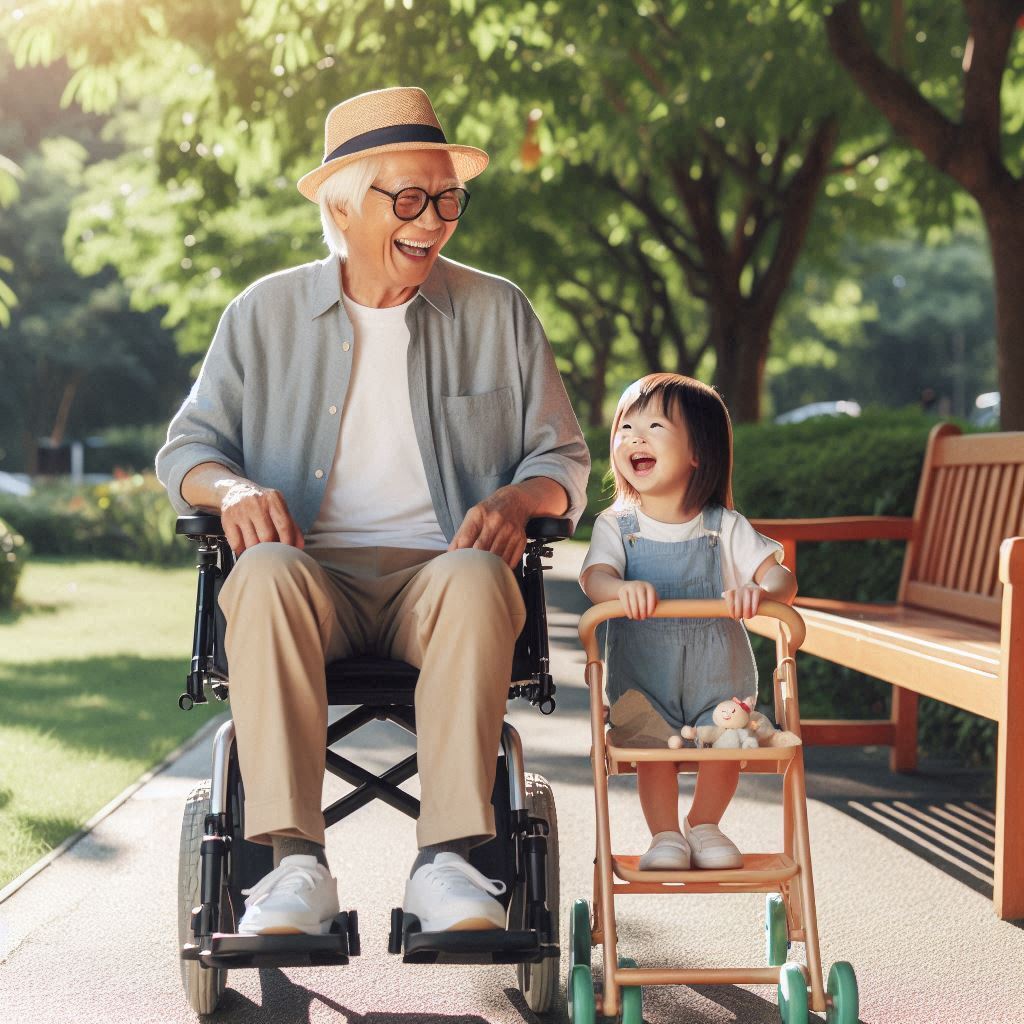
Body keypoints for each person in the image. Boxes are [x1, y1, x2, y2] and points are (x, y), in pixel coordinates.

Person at [156, 86, 589, 936]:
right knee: (267, 569)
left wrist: (516, 497)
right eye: (411, 198)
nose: (435, 219)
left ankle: (450, 866)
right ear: (342, 204)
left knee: (474, 573)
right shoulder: (262, 315)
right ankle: (293, 870)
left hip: (441, 584)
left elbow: (564, 459)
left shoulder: (497, 311)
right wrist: (232, 489)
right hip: (310, 580)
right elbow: (186, 454)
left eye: (448, 198)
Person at [578, 373, 795, 871]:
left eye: (654, 426)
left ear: (698, 452)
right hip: (643, 677)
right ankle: (664, 836)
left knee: (723, 745)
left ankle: (704, 824)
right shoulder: (618, 526)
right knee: (654, 752)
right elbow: (595, 578)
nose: (635, 437)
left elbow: (781, 579)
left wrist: (759, 591)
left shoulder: (723, 525)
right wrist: (619, 590)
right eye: (626, 426)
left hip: (716, 675)